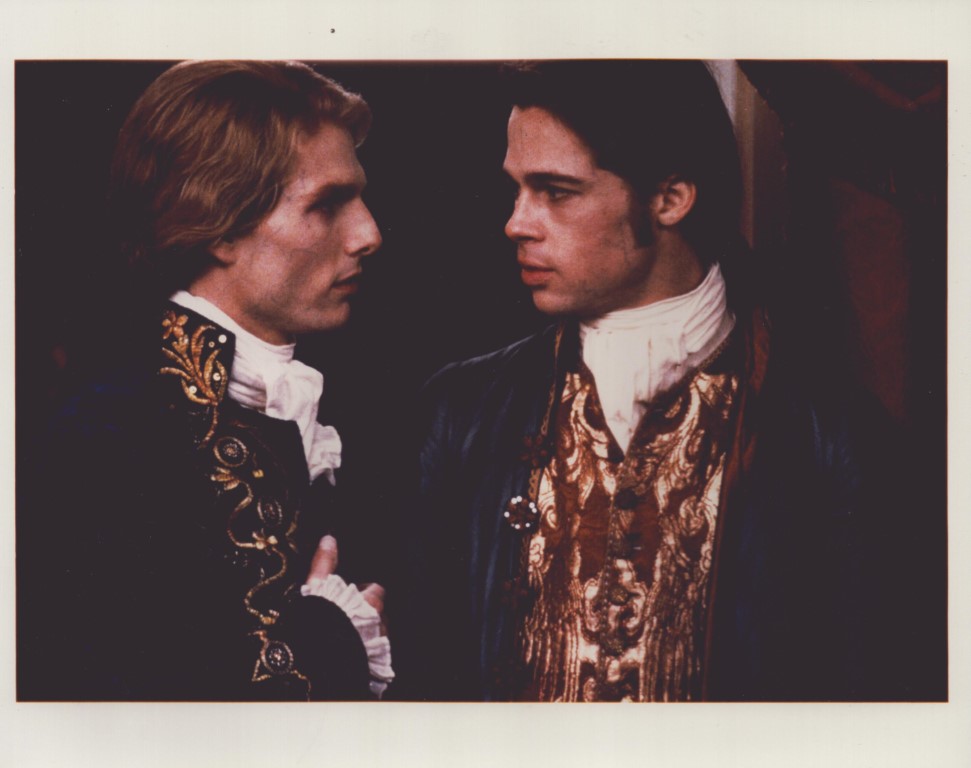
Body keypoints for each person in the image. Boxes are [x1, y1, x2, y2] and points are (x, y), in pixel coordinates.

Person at [410, 60, 939, 702]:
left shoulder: (830, 434)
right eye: (517, 189)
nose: (517, 222)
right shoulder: (461, 413)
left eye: (555, 191)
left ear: (670, 198)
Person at [17, 61, 393, 701]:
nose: (368, 233)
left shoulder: (328, 400)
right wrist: (333, 643)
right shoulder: (111, 432)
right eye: (326, 205)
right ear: (220, 226)